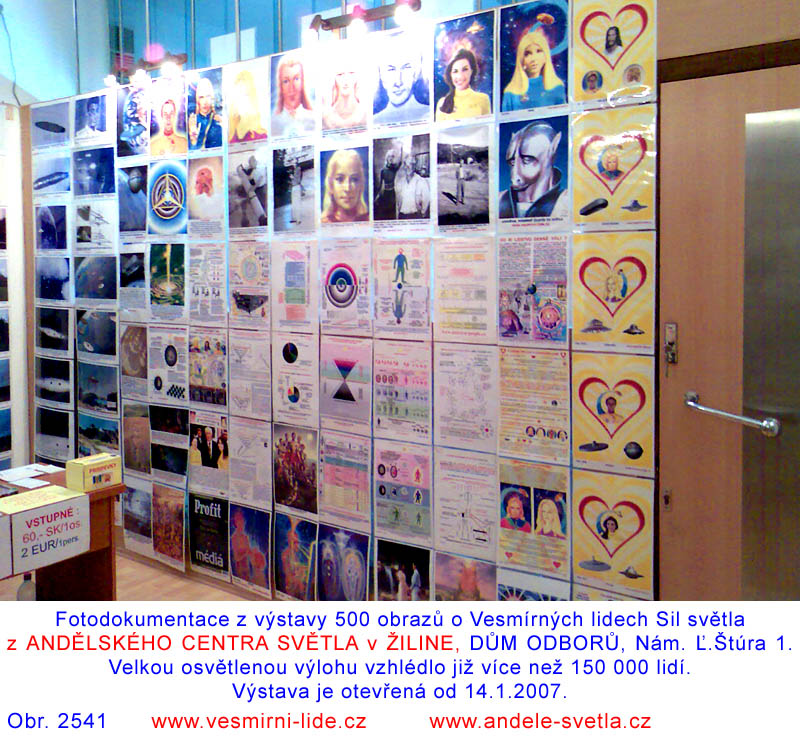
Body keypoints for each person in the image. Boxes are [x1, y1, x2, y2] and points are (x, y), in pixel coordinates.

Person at [499, 121, 568, 219]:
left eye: (527, 160)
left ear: (552, 148)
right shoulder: (498, 200)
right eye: (512, 162)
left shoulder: (567, 202)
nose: (514, 175)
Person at [502, 28, 565, 111]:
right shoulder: (511, 92)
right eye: (527, 54)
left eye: (539, 51)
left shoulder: (556, 86)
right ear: (521, 59)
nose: (534, 59)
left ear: (545, 55)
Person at [373, 34, 429, 125]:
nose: (398, 82)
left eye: (406, 68)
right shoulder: (375, 122)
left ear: (416, 73)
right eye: (391, 69)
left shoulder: (429, 115)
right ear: (381, 75)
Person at [436, 48, 491, 121]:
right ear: (450, 74)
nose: (460, 76)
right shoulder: (443, 103)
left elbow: (487, 127)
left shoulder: (483, 99)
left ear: (472, 71)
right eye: (455, 71)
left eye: (465, 69)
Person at [272, 53, 314, 137]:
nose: (292, 87)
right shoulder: (274, 122)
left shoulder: (313, 118)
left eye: (296, 79)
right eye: (286, 81)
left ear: (303, 81)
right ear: (280, 85)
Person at [320, 149, 368, 223]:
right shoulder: (323, 222)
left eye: (354, 179)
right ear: (330, 184)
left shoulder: (368, 220)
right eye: (340, 179)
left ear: (361, 185)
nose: (347, 188)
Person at [228, 68, 267, 143]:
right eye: (238, 96)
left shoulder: (262, 137)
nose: (241, 101)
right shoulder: (228, 138)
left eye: (246, 96)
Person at [323, 65, 366, 130]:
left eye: (351, 73)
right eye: (340, 74)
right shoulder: (325, 117)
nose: (346, 80)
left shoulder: (365, 114)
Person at [189, 77, 223, 150]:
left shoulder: (218, 120)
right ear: (198, 100)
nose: (205, 102)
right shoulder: (193, 122)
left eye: (208, 96)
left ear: (212, 98)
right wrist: (193, 138)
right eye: (201, 97)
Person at [395, 154, 430, 219]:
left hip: (415, 215)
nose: (409, 167)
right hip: (402, 216)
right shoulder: (400, 182)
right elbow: (397, 201)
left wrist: (422, 214)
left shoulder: (421, 181)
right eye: (407, 165)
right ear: (404, 166)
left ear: (415, 166)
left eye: (412, 164)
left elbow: (426, 199)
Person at [374, 147, 400, 221]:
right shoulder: (383, 170)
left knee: (392, 213)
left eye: (392, 156)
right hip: (385, 194)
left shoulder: (394, 169)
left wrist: (400, 149)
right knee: (385, 214)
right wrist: (377, 196)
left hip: (393, 193)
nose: (391, 158)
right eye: (389, 156)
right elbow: (380, 185)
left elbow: (400, 162)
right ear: (387, 158)